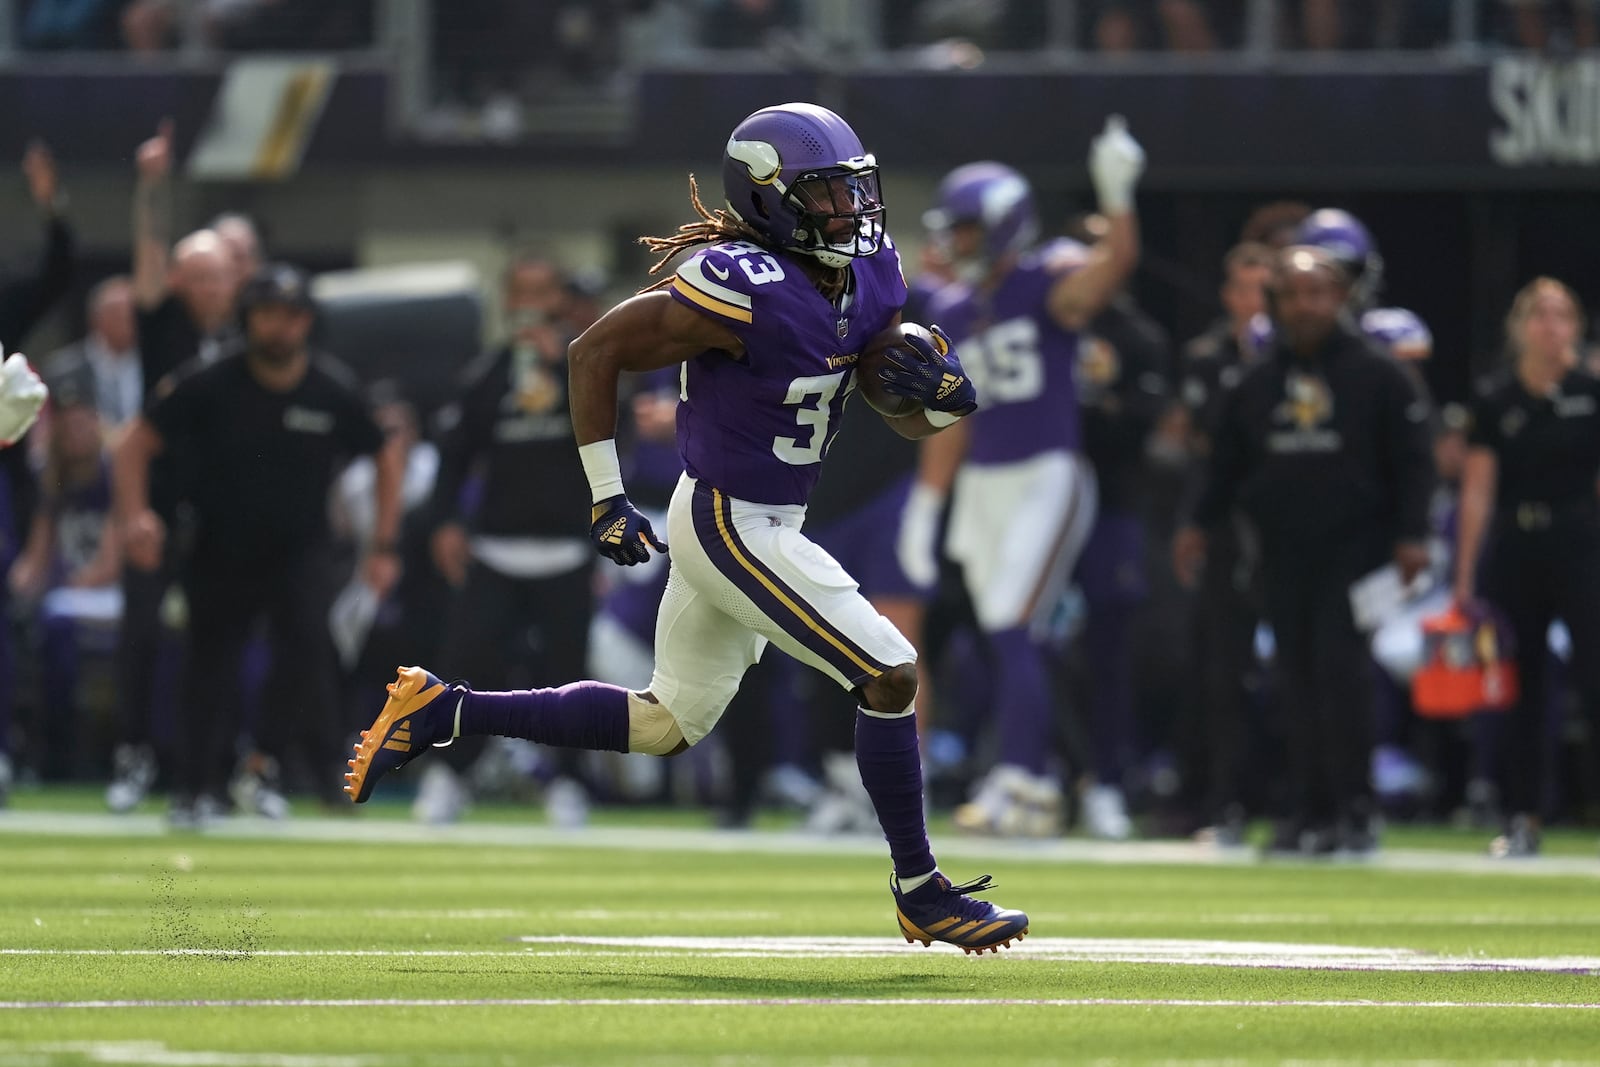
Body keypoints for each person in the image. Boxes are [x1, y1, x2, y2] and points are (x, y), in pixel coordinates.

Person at [343, 102, 1028, 954]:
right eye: (825, 195)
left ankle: (447, 710)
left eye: (855, 191)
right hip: (727, 519)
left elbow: (898, 415)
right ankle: (922, 891)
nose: (850, 211)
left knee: (664, 723)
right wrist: (605, 494)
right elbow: (591, 351)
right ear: (773, 199)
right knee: (889, 672)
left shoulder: (873, 271)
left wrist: (940, 399)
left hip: (770, 516)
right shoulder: (740, 285)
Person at [909, 117, 1146, 836]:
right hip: (984, 483)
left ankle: (1027, 780)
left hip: (1047, 472)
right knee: (1008, 635)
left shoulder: (1047, 283)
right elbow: (955, 419)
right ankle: (1039, 777)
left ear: (1005, 226)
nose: (956, 242)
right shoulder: (952, 308)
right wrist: (928, 504)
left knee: (1012, 626)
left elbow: (1111, 270)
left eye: (969, 229)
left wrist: (1118, 200)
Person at [114, 264, 401, 826]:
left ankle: (267, 768)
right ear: (249, 320)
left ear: (307, 323)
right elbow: (134, 442)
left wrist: (383, 543)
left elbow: (384, 453)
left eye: (291, 316)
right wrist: (135, 517)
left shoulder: (331, 387)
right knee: (208, 665)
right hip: (220, 546)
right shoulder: (211, 380)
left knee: (305, 653)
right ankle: (196, 787)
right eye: (268, 315)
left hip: (301, 549)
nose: (279, 328)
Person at [1174, 246, 1434, 856]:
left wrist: (1413, 535)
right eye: (1291, 294)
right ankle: (1303, 810)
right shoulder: (1255, 381)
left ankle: (1353, 809)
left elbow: (1414, 463)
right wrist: (1197, 524)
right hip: (1282, 552)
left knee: (1343, 678)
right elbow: (1226, 466)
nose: (1305, 305)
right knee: (1293, 682)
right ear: (1275, 304)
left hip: (1358, 551)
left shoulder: (1380, 374)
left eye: (1317, 292)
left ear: (1340, 298)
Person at [416, 254, 595, 825]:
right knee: (468, 667)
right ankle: (449, 776)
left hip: (567, 551)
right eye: (519, 293)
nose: (529, 305)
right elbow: (453, 457)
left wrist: (566, 369)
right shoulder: (486, 375)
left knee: (569, 677)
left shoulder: (590, 367)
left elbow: (620, 444)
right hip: (494, 550)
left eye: (540, 292)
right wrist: (444, 522)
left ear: (559, 300)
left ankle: (566, 782)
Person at [106, 119, 241, 814]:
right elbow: (148, 255)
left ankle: (214, 771)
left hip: (221, 508)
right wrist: (152, 185)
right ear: (185, 279)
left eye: (224, 274)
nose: (215, 286)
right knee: (141, 635)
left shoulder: (248, 335)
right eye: (204, 274)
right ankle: (133, 755)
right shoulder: (166, 323)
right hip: (155, 500)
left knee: (217, 644)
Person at [1453, 278, 1600, 857]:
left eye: (1562, 315)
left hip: (1582, 542)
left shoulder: (1592, 392)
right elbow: (1477, 492)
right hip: (1518, 544)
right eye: (1539, 315)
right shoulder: (1495, 398)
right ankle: (1524, 815)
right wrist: (1464, 576)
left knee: (1596, 678)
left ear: (1576, 326)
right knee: (1521, 686)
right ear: (1520, 327)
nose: (1551, 326)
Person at [44, 277, 142, 429]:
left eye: (131, 314)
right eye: (116, 313)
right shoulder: (62, 372)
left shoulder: (156, 364)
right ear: (96, 318)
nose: (126, 320)